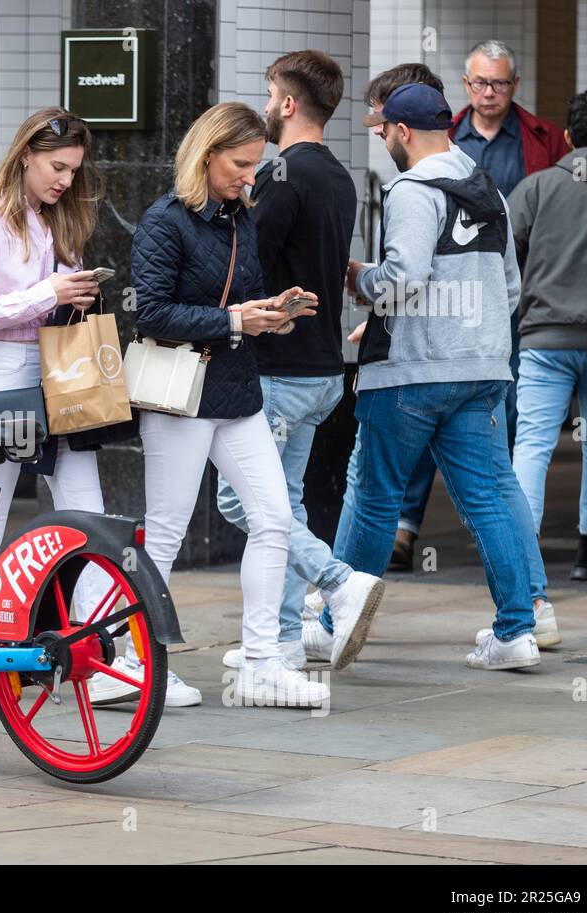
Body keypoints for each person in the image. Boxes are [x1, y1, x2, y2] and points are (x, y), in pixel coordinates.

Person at [0, 107, 202, 708]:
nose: (64, 180)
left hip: (64, 381)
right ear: (25, 155)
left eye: (73, 169)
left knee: (89, 520)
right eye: (56, 166)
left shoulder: (55, 226)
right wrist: (47, 293)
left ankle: (104, 654)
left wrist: (74, 294)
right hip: (1, 380)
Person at [337, 65, 561, 652]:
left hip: (412, 372)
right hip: (483, 368)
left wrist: (360, 280)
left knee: (375, 494)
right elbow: (510, 288)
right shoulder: (488, 190)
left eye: (384, 130)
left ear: (404, 131)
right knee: (488, 496)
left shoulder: (413, 191)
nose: (382, 140)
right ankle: (517, 631)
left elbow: (404, 277)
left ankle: (335, 623)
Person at [132, 101, 332, 708]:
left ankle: (262, 663)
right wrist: (235, 319)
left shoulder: (238, 218)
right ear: (207, 153)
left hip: (237, 392)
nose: (250, 176)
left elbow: (236, 305)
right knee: (165, 533)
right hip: (181, 397)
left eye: (256, 165)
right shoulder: (164, 221)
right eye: (241, 164)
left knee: (273, 519)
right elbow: (150, 312)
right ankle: (133, 663)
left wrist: (270, 313)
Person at [215, 50, 384, 674]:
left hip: (277, 369)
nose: (265, 104)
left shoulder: (281, 173)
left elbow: (245, 264)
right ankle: (284, 639)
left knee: (248, 504)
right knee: (283, 502)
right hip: (322, 371)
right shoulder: (339, 176)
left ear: (286, 103)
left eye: (268, 93)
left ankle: (337, 581)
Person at [389, 40, 570, 570]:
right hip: (439, 304)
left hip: (508, 303)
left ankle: (497, 534)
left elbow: (555, 225)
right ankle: (405, 528)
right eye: (479, 83)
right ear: (466, 87)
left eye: (500, 83)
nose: (489, 92)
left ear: (515, 86)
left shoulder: (542, 142)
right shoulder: (443, 138)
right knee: (423, 412)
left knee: (501, 418)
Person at [509, 88, 587, 581]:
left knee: (533, 443)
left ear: (566, 137)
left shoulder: (536, 189)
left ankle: (523, 557)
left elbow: (504, 258)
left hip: (543, 338)